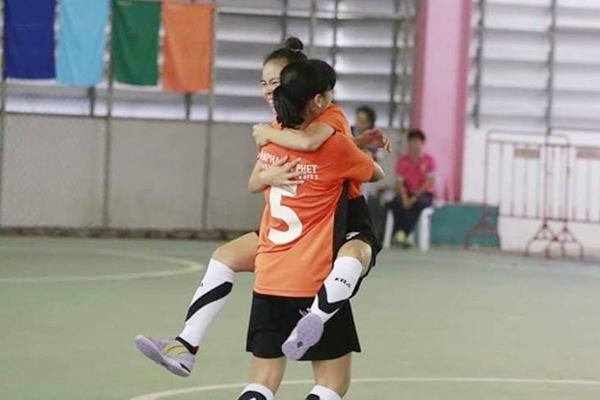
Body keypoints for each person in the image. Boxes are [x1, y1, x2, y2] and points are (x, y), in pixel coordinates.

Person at [134, 38, 388, 378]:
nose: (270, 90)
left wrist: (265, 133)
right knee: (224, 256)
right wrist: (269, 168)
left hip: (335, 216)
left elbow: (315, 144)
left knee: (354, 255)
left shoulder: (322, 115)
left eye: (276, 82)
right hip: (295, 223)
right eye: (264, 83)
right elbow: (256, 182)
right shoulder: (281, 124)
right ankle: (185, 344)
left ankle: (315, 316)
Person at [239, 59, 384, 400]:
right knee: (332, 383)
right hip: (314, 279)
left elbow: (255, 182)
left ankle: (188, 339)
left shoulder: (270, 144)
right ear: (318, 100)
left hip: (269, 278)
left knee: (261, 382)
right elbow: (375, 173)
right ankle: (318, 315)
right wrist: (352, 145)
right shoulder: (334, 144)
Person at [387, 128, 436, 247]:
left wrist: (414, 197)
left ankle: (402, 234)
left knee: (416, 204)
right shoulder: (403, 161)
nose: (414, 145)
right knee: (396, 204)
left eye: (417, 142)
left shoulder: (429, 160)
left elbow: (429, 182)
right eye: (412, 142)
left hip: (424, 194)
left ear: (422, 143)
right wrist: (405, 199)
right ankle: (399, 235)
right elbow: (399, 183)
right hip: (406, 192)